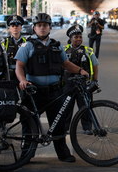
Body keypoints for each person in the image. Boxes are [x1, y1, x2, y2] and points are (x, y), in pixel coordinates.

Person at [15, 13, 89, 163]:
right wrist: (22, 80)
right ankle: (26, 155)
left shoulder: (57, 45)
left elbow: (66, 64)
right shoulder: (27, 45)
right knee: (29, 126)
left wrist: (80, 70)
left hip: (55, 92)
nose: (42, 28)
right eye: (39, 25)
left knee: (59, 124)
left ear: (50, 27)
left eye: (45, 25)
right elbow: (19, 66)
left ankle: (63, 154)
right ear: (35, 28)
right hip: (33, 93)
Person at [63, 25, 99, 135]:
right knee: (66, 107)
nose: (79, 39)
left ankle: (87, 127)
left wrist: (95, 80)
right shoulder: (64, 51)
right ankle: (65, 128)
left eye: (80, 37)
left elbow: (95, 65)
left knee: (85, 106)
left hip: (83, 84)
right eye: (76, 37)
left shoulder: (87, 51)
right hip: (68, 83)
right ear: (70, 38)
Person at [1, 15, 28, 81]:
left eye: (17, 26)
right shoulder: (4, 42)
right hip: (9, 77)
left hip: (24, 75)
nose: (15, 28)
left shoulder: (27, 42)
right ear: (9, 28)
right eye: (12, 26)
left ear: (21, 27)